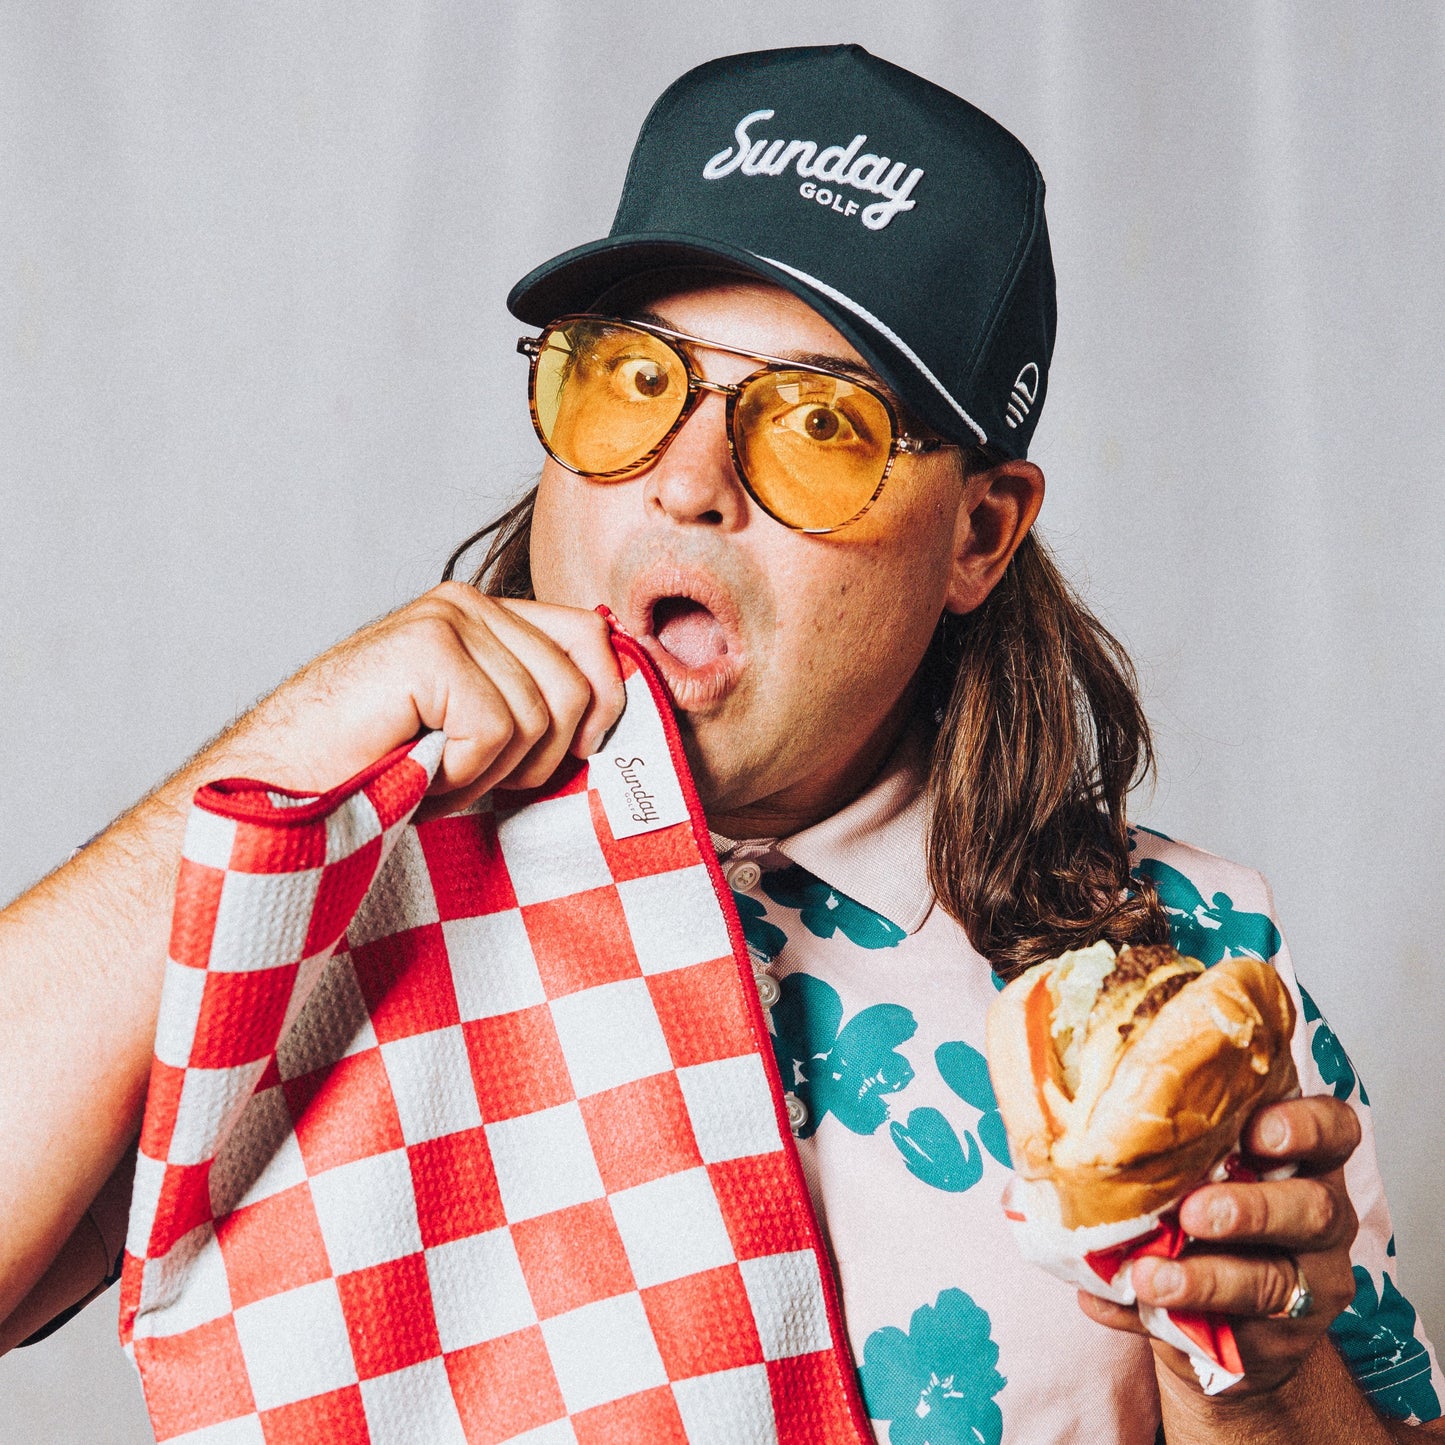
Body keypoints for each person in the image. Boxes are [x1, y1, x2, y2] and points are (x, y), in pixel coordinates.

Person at [0, 42, 1440, 1445]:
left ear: (978, 532)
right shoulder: (333, 886)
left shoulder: (1176, 984)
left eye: (817, 423)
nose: (686, 483)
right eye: (631, 380)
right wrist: (287, 748)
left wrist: (1258, 1383)